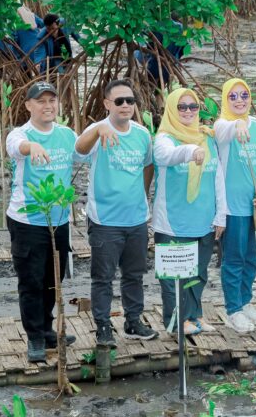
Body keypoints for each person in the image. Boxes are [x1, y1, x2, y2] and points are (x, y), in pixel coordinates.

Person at [75, 79, 158, 346]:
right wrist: (99, 130)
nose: (125, 106)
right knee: (103, 278)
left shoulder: (142, 134)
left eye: (130, 101)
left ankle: (133, 321)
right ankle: (103, 326)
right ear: (107, 104)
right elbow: (78, 151)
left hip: (136, 219)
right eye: (119, 101)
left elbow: (148, 166)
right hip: (105, 221)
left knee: (134, 275)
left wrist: (142, 198)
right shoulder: (98, 130)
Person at [6, 82, 83, 361]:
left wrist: (102, 129)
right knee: (31, 281)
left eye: (52, 100)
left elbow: (85, 152)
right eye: (41, 101)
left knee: (54, 279)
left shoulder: (66, 134)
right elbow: (16, 147)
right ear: (28, 105)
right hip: (27, 221)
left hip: (58, 220)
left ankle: (48, 329)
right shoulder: (20, 134)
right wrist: (32, 145)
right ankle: (35, 337)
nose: (48, 105)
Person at [153, 88, 226, 335]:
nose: (187, 111)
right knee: (174, 276)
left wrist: (221, 214)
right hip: (173, 221)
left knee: (199, 272)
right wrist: (190, 151)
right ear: (172, 109)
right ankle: (175, 320)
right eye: (181, 107)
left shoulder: (207, 137)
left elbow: (218, 177)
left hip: (204, 219)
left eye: (192, 107)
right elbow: (168, 157)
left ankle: (195, 315)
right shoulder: (164, 138)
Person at [214, 78, 256, 333]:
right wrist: (238, 123)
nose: (239, 101)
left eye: (244, 95)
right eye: (233, 96)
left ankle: (245, 301)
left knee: (252, 257)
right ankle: (233, 309)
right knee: (233, 259)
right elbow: (225, 131)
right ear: (225, 100)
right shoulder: (221, 126)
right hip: (233, 208)